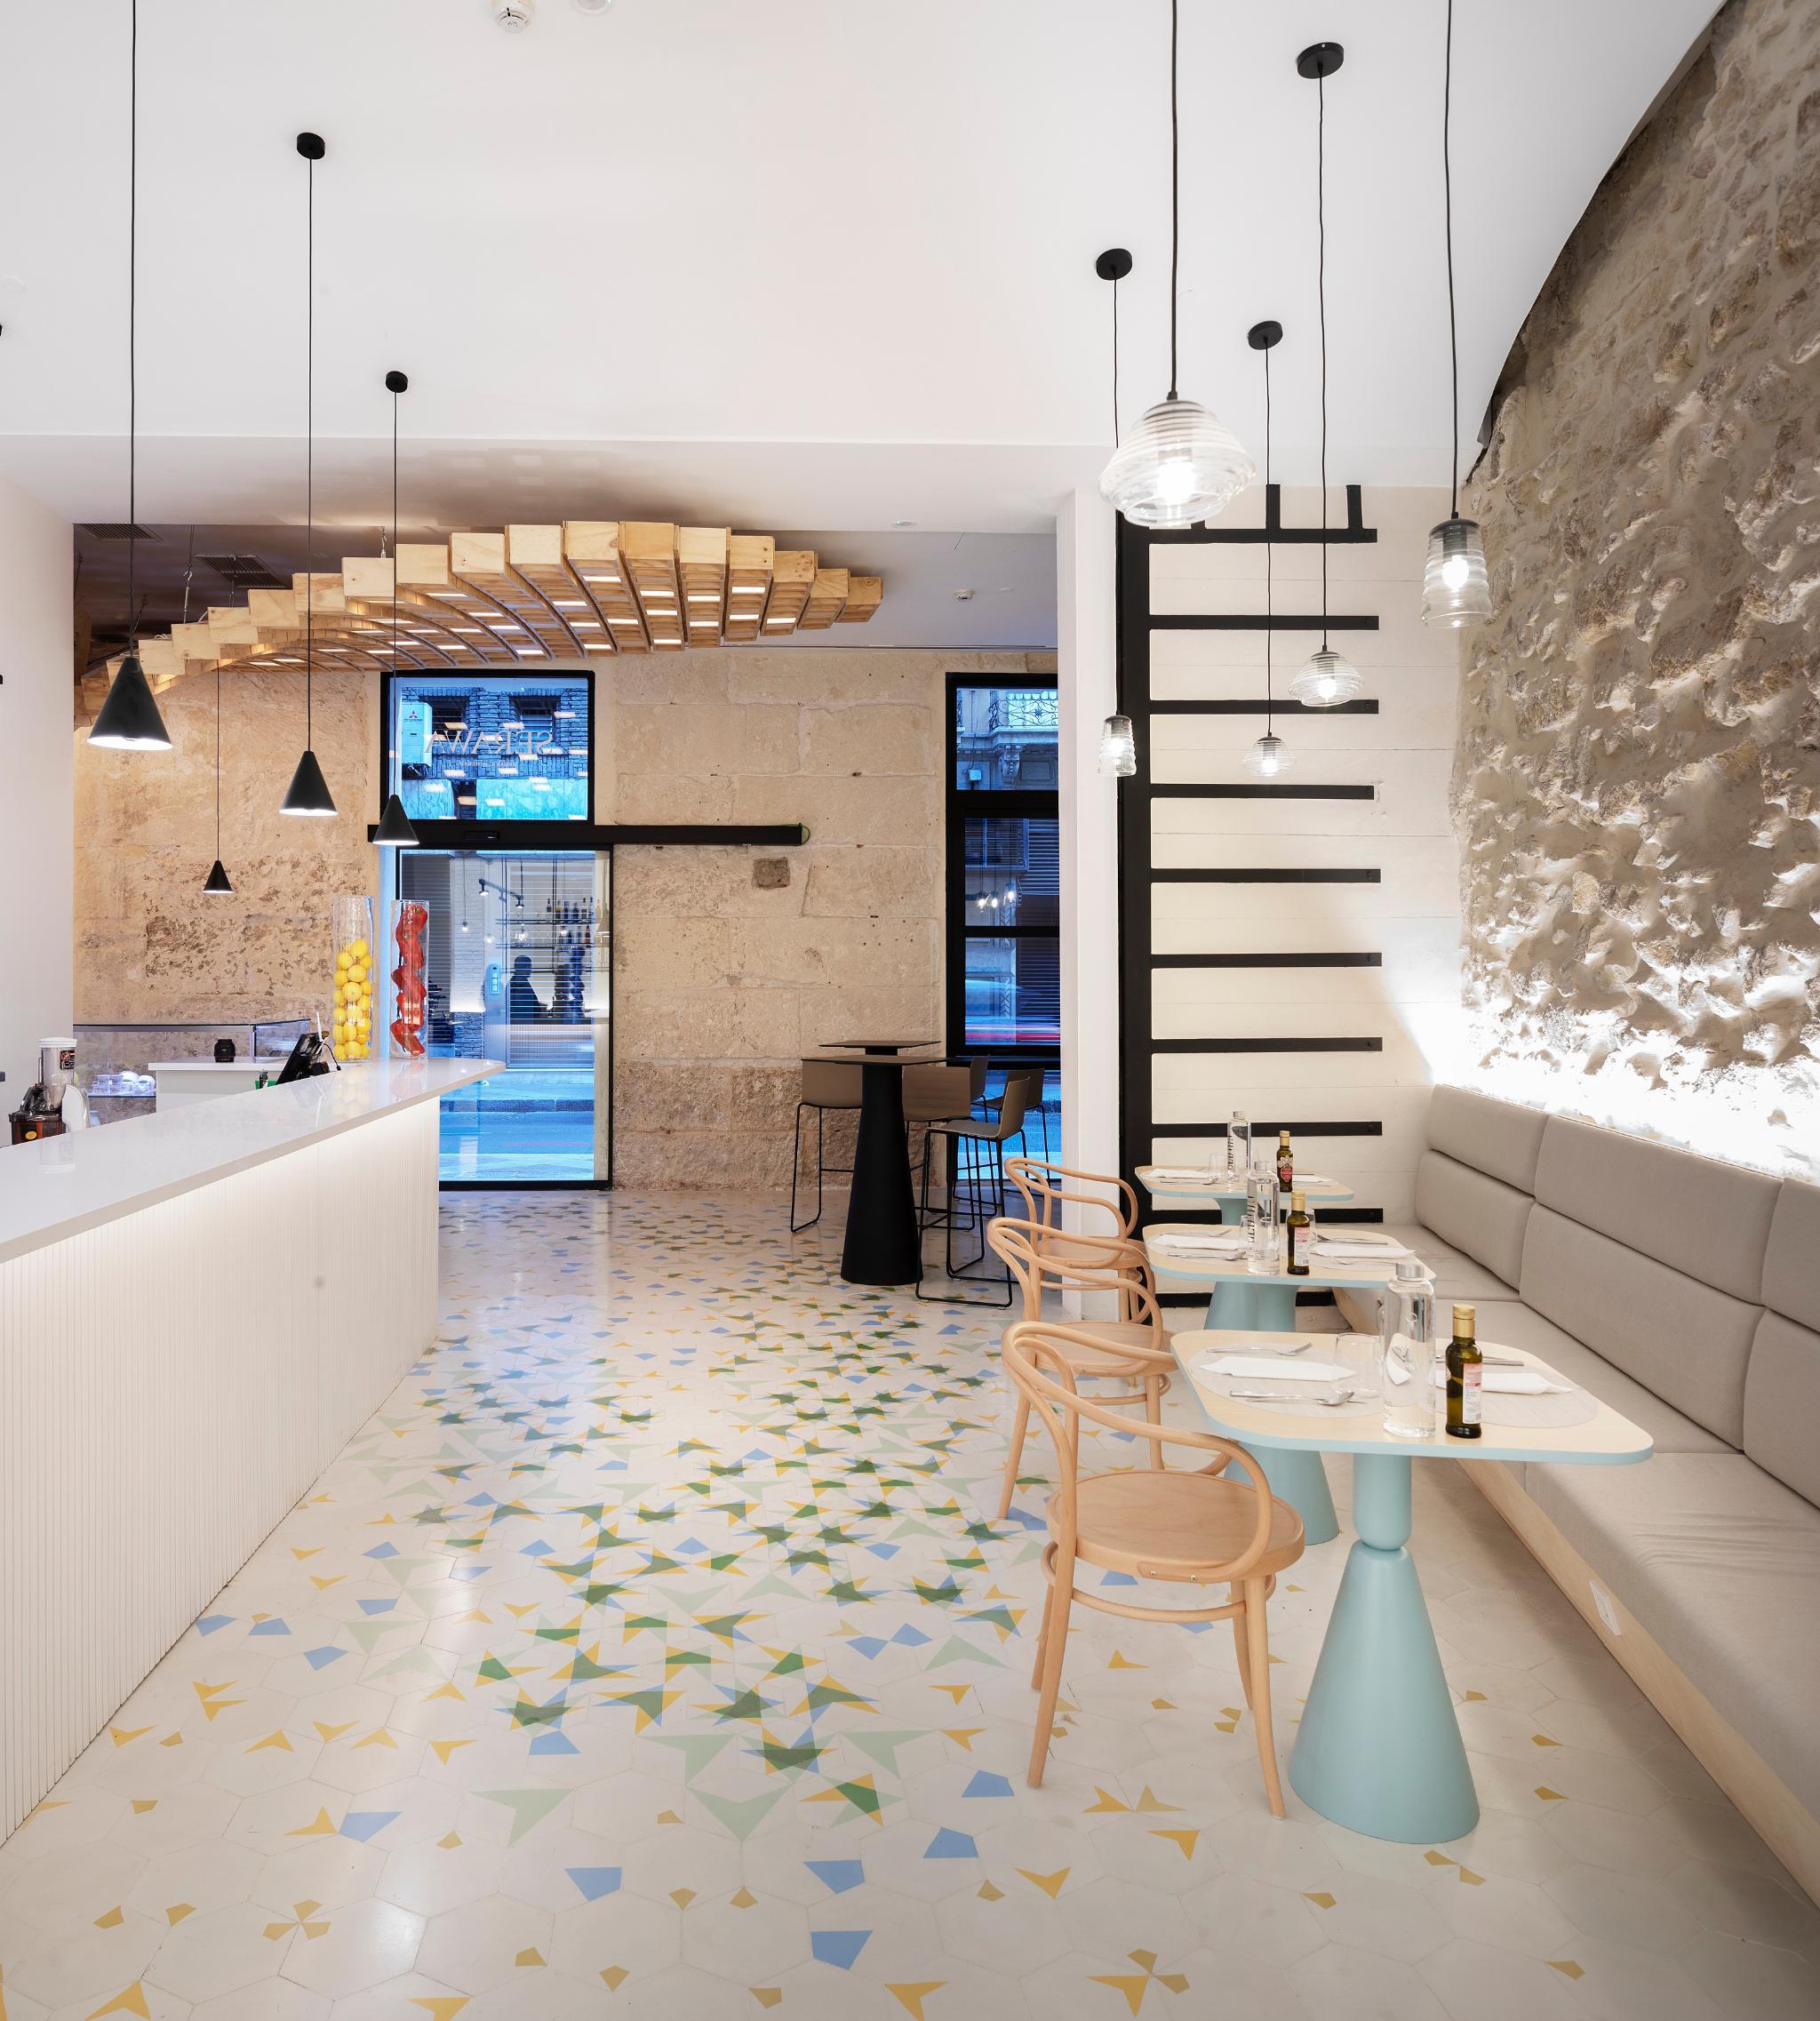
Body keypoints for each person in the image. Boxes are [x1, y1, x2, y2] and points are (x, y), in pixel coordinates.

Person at [508, 955, 546, 1023]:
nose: (530, 969)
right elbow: (524, 1005)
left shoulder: (515, 982)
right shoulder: (520, 983)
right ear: (526, 967)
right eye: (530, 967)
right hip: (522, 1023)